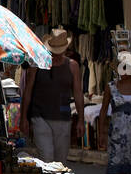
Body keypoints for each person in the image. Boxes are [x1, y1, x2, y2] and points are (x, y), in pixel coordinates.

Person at [19, 27, 85, 163]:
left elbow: (78, 93)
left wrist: (81, 120)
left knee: (60, 162)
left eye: (59, 52)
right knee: (47, 158)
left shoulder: (72, 66)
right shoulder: (37, 64)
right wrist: (23, 117)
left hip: (62, 118)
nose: (56, 55)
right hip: (40, 117)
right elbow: (28, 91)